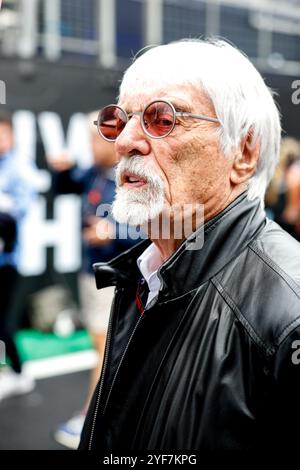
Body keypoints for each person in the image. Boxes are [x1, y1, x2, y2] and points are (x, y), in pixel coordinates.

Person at [79, 39, 300, 451]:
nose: (125, 142)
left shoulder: (289, 316)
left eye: (161, 118)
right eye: (118, 120)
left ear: (243, 153)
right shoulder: (147, 274)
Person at [47, 112, 139, 449]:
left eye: (95, 139)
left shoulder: (129, 176)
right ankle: (103, 415)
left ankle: (93, 415)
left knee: (105, 348)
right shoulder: (94, 173)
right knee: (100, 346)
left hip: (113, 276)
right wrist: (62, 171)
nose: (90, 146)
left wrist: (112, 231)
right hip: (93, 273)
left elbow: (157, 228)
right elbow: (64, 189)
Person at [0, 111, 36, 400]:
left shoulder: (19, 167)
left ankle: (20, 371)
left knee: (1, 321)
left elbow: (20, 209)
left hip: (8, 260)